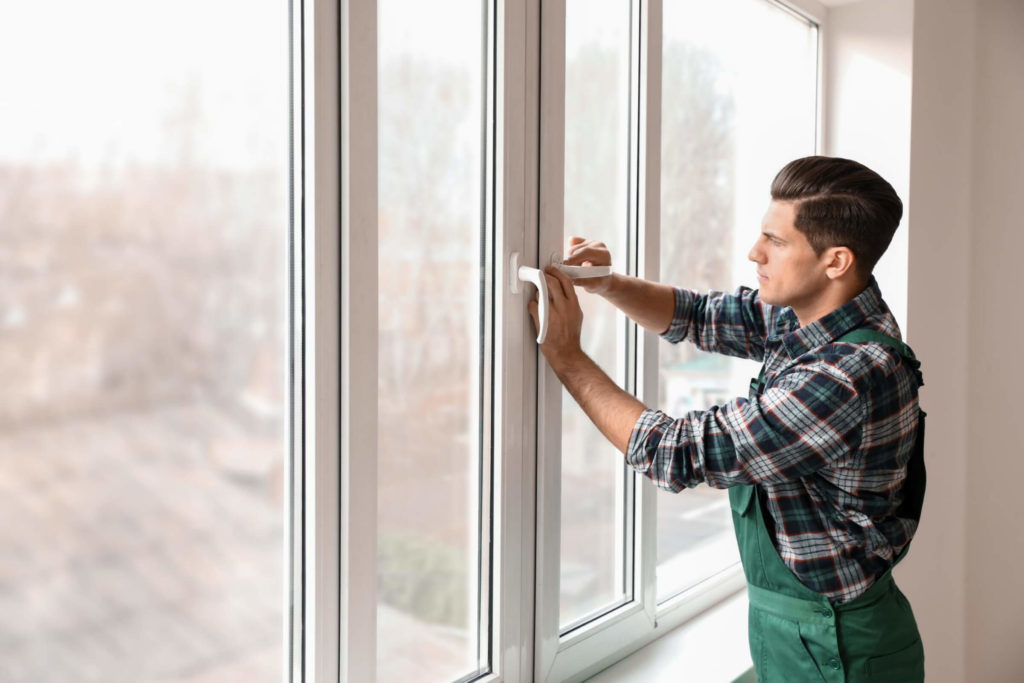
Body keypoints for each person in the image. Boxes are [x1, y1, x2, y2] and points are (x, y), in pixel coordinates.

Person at [529, 156, 926, 682]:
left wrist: (566, 356)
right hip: (797, 629)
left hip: (837, 647)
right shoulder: (821, 314)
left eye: (775, 242)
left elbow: (676, 451)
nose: (754, 252)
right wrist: (607, 283)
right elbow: (700, 315)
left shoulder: (845, 375)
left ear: (835, 261)